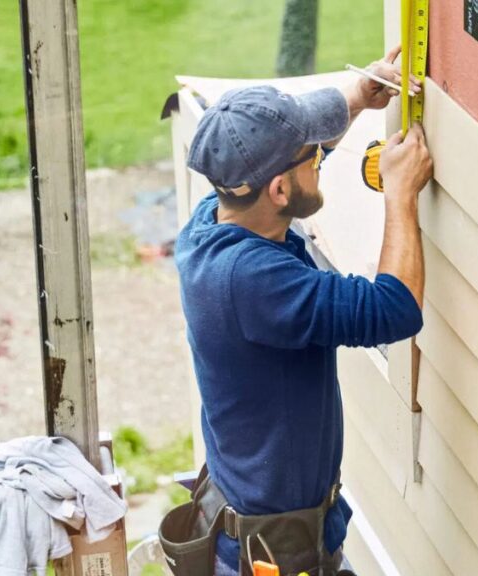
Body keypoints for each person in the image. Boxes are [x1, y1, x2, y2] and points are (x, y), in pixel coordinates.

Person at [172, 46, 433, 576]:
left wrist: (357, 97)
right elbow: (394, 308)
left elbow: (289, 168)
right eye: (312, 156)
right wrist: (400, 194)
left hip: (268, 534)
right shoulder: (255, 283)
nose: (322, 156)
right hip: (276, 558)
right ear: (278, 190)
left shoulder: (213, 221)